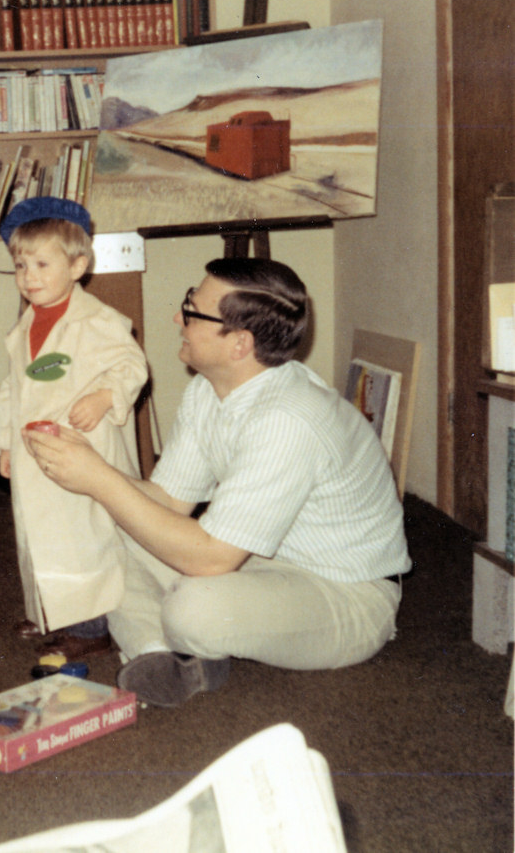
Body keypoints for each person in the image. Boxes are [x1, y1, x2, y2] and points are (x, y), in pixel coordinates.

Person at [25, 256, 411, 706]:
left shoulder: (289, 419)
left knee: (194, 608)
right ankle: (158, 657)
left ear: (239, 344)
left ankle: (186, 639)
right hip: (261, 561)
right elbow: (170, 500)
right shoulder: (209, 389)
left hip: (345, 593)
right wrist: (91, 473)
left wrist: (99, 479)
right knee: (107, 517)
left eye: (192, 310)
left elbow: (211, 560)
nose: (177, 317)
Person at [0, 197, 149, 660]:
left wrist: (104, 397)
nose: (29, 276)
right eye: (21, 265)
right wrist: (3, 444)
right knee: (40, 535)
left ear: (78, 265)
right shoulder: (25, 327)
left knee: (85, 538)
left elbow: (131, 365)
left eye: (41, 264)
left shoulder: (97, 321)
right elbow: (11, 389)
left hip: (84, 449)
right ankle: (49, 610)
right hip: (36, 452)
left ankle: (93, 624)